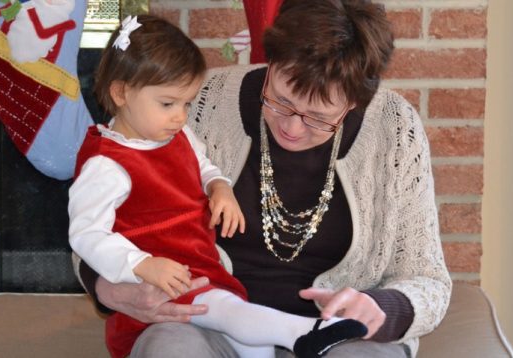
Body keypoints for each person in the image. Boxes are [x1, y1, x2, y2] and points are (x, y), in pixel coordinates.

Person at [74, 0, 452, 357]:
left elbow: (427, 279)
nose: (291, 127)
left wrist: (380, 307)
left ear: (355, 101)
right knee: (170, 348)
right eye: (281, 100)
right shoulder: (196, 101)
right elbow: (99, 223)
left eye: (318, 117)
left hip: (336, 337)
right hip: (211, 324)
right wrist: (113, 290)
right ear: (270, 63)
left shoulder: (394, 128)